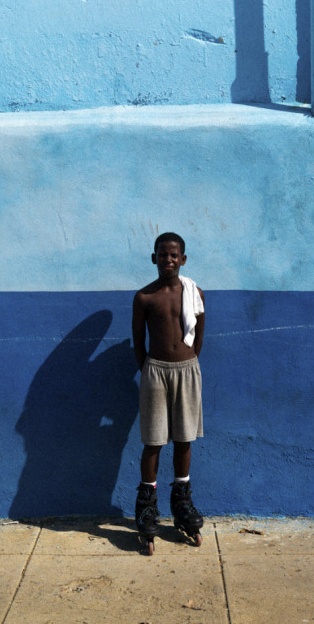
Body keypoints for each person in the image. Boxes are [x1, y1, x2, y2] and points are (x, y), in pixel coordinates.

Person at [131, 232, 206, 553]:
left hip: (187, 370)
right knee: (153, 441)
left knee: (184, 438)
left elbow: (198, 337)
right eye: (162, 255)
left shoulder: (195, 293)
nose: (168, 260)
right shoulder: (145, 297)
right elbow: (138, 342)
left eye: (174, 255)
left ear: (184, 259)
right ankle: (147, 505)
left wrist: (187, 364)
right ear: (154, 258)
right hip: (155, 372)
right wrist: (150, 370)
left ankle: (182, 502)